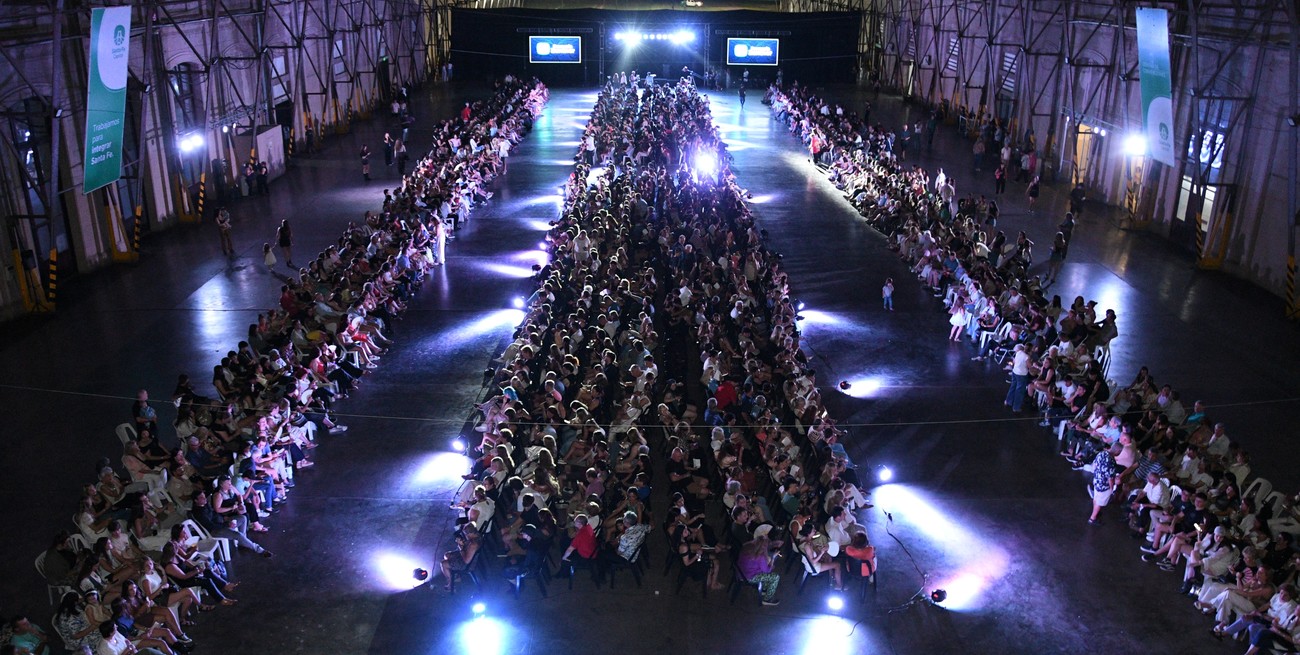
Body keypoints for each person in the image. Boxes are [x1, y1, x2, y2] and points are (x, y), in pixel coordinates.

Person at [737, 534, 781, 606]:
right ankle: (767, 599)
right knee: (775, 577)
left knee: (764, 572)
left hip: (741, 573)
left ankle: (764, 589)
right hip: (749, 577)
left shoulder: (747, 548)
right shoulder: (760, 556)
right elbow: (767, 571)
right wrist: (773, 558)